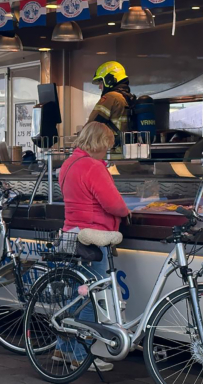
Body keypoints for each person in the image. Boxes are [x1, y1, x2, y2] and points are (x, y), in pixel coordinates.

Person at [54, 122, 130, 373]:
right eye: (107, 145)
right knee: (91, 297)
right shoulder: (93, 167)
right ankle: (81, 355)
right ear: (100, 142)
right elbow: (114, 204)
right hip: (93, 237)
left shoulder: (69, 163)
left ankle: (62, 347)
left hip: (71, 233)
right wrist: (127, 210)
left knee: (75, 294)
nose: (108, 151)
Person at [88, 61, 136, 143]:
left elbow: (91, 127)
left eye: (100, 82)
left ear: (109, 80)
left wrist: (78, 141)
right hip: (125, 149)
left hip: (112, 151)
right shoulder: (127, 97)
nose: (99, 87)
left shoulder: (111, 97)